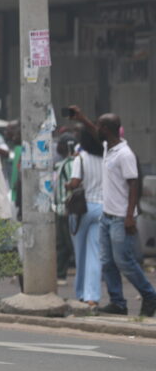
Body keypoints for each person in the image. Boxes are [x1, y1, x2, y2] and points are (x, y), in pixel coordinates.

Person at [69, 107, 156, 317]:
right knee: (107, 262)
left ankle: (149, 294)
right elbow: (92, 130)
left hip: (120, 218)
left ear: (107, 129)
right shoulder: (109, 147)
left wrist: (129, 217)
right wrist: (82, 117)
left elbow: (134, 185)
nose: (96, 128)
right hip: (106, 216)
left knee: (124, 261)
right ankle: (118, 302)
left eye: (100, 125)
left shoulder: (125, 154)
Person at [67, 128, 104, 309]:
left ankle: (81, 292)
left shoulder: (80, 159)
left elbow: (74, 183)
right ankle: (92, 296)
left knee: (80, 254)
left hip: (82, 208)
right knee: (95, 254)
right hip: (101, 208)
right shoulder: (105, 158)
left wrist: (67, 185)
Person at [52, 135, 76, 286]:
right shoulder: (61, 163)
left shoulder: (70, 164)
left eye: (60, 144)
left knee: (70, 244)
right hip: (59, 209)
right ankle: (60, 275)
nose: (57, 147)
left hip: (67, 210)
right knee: (61, 244)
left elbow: (74, 186)